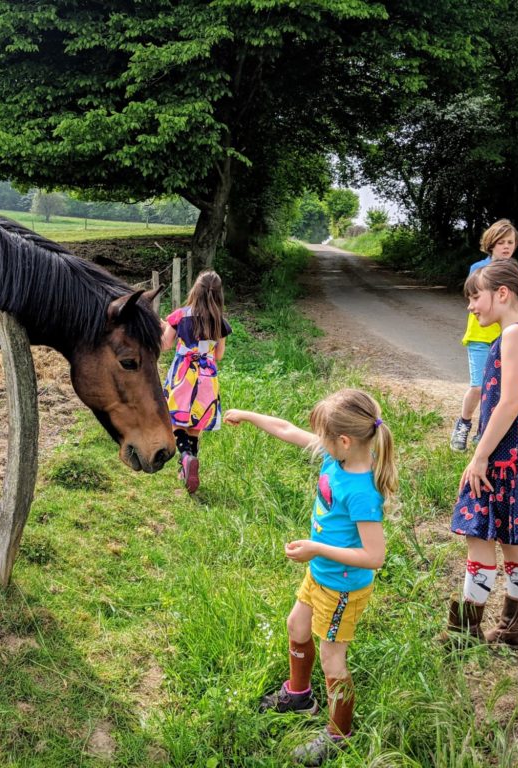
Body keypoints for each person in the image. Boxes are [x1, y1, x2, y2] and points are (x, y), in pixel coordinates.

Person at [224, 389, 398, 765]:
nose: (318, 440)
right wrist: (248, 414)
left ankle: (339, 734)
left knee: (332, 660)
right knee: (296, 625)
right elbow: (287, 430)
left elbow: (375, 557)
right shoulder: (337, 457)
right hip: (320, 573)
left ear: (345, 441)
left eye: (323, 435)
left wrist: (316, 548)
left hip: (342, 587)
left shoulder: (361, 491)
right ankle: (300, 696)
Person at [443, 259, 518, 648]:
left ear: (502, 293)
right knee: (514, 539)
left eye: (474, 297)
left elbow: (509, 403)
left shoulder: (515, 334)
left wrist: (479, 456)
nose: (470, 307)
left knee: (478, 535)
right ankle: (517, 629)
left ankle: (463, 633)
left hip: (507, 456)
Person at [450, 219, 518, 452]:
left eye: (511, 242)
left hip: (508, 338)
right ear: (491, 244)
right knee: (479, 387)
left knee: (498, 390)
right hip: (480, 336)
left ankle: (485, 433)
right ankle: (463, 424)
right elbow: (475, 299)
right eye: (501, 242)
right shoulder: (478, 269)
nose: (506, 247)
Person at [161, 270, 231, 493]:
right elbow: (219, 355)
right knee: (196, 423)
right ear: (219, 295)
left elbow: (165, 345)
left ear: (195, 291)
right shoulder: (220, 322)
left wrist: (164, 327)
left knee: (176, 418)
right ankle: (188, 466)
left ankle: (185, 456)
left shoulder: (180, 316)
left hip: (183, 374)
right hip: (207, 377)